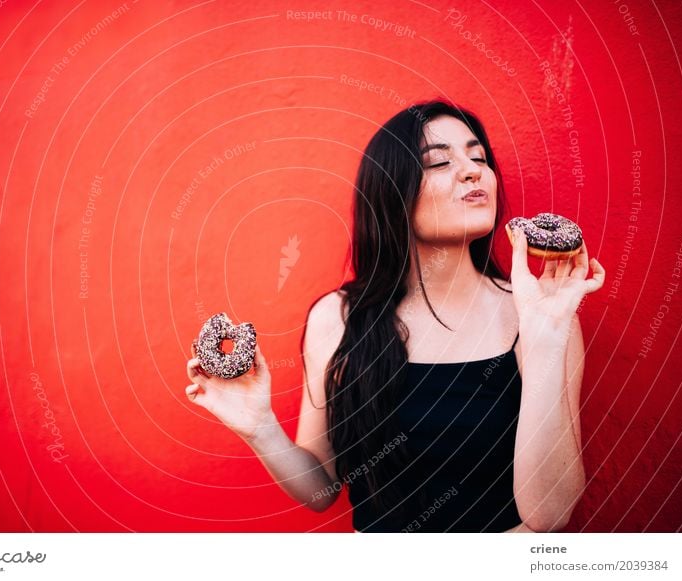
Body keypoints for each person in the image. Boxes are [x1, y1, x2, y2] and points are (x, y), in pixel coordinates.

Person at [184, 100, 605, 532]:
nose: (472, 170)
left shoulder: (541, 314)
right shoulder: (338, 319)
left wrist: (547, 336)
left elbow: (549, 516)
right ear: (392, 193)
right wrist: (260, 427)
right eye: (439, 162)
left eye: (478, 157)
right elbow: (321, 489)